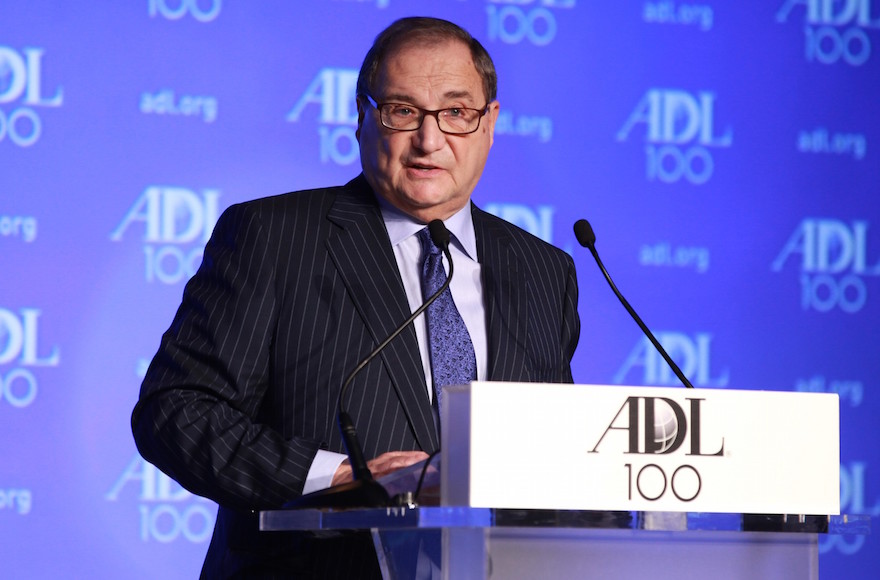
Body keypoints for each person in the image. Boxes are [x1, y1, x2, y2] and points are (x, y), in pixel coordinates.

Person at [132, 16, 579, 579]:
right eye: (402, 110)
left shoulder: (543, 271)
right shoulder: (274, 237)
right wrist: (341, 476)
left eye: (457, 113)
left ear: (489, 123)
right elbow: (175, 412)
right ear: (362, 117)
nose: (429, 139)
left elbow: (554, 457)